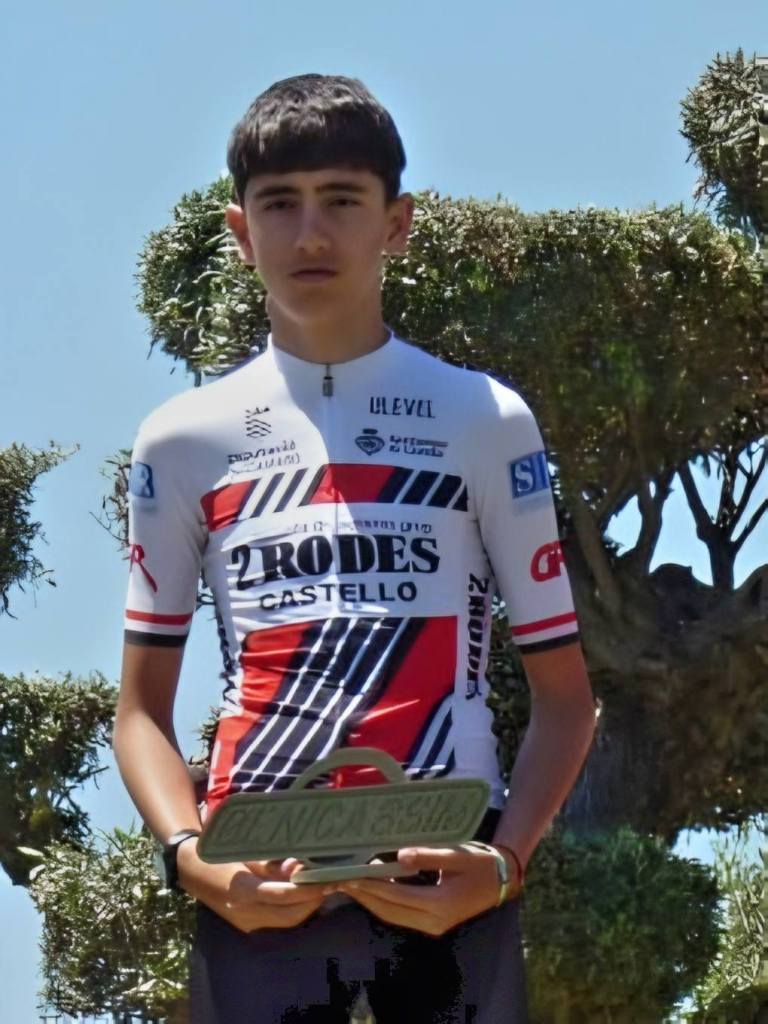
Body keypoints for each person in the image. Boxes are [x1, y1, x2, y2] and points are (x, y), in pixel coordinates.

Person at [113, 73, 597, 1023]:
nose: (310, 235)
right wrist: (190, 860)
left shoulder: (485, 419)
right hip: (258, 870)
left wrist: (503, 864)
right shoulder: (180, 440)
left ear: (397, 223)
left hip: (446, 866)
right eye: (279, 205)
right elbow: (139, 716)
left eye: (342, 200)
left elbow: (568, 701)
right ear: (240, 232)